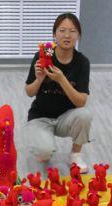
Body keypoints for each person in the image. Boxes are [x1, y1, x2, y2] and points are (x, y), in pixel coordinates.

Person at [24, 12, 91, 173]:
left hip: (65, 118)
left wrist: (61, 79)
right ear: (55, 34)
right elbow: (29, 92)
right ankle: (43, 146)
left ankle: (75, 155)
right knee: (44, 153)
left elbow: (81, 102)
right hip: (40, 117)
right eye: (62, 30)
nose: (67, 35)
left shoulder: (82, 62)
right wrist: (39, 79)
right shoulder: (41, 57)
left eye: (72, 31)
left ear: (78, 36)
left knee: (85, 115)